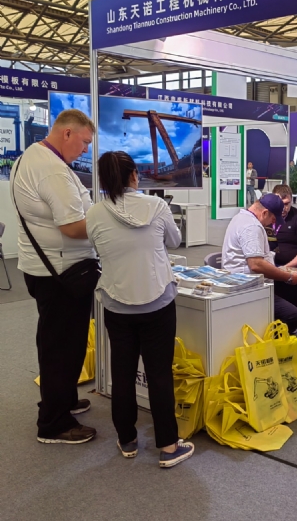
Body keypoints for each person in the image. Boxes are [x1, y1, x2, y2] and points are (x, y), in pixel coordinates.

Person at [86, 151, 194, 468]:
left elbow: (96, 247)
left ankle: (127, 439)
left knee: (122, 374)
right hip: (157, 300)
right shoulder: (157, 206)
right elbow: (174, 241)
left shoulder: (94, 213)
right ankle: (169, 446)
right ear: (135, 175)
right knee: (159, 374)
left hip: (116, 303)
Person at [10, 109, 98, 444]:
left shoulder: (31, 156)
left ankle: (62, 400)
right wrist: (109, 226)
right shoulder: (53, 171)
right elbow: (73, 227)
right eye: (84, 142)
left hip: (46, 268)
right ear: (67, 133)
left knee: (57, 341)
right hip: (63, 273)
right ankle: (54, 424)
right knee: (62, 346)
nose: (86, 150)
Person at [222, 194, 297, 339]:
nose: (272, 224)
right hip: (248, 287)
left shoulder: (241, 217)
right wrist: (287, 277)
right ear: (265, 213)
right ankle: (274, 344)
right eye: (273, 219)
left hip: (250, 281)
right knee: (293, 315)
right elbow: (256, 265)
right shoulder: (251, 227)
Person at [270, 184, 297, 316]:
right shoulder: (266, 217)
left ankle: (293, 317)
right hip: (270, 263)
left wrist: (285, 268)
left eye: (287, 203)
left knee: (287, 283)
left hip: (295, 265)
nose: (284, 208)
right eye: (281, 204)